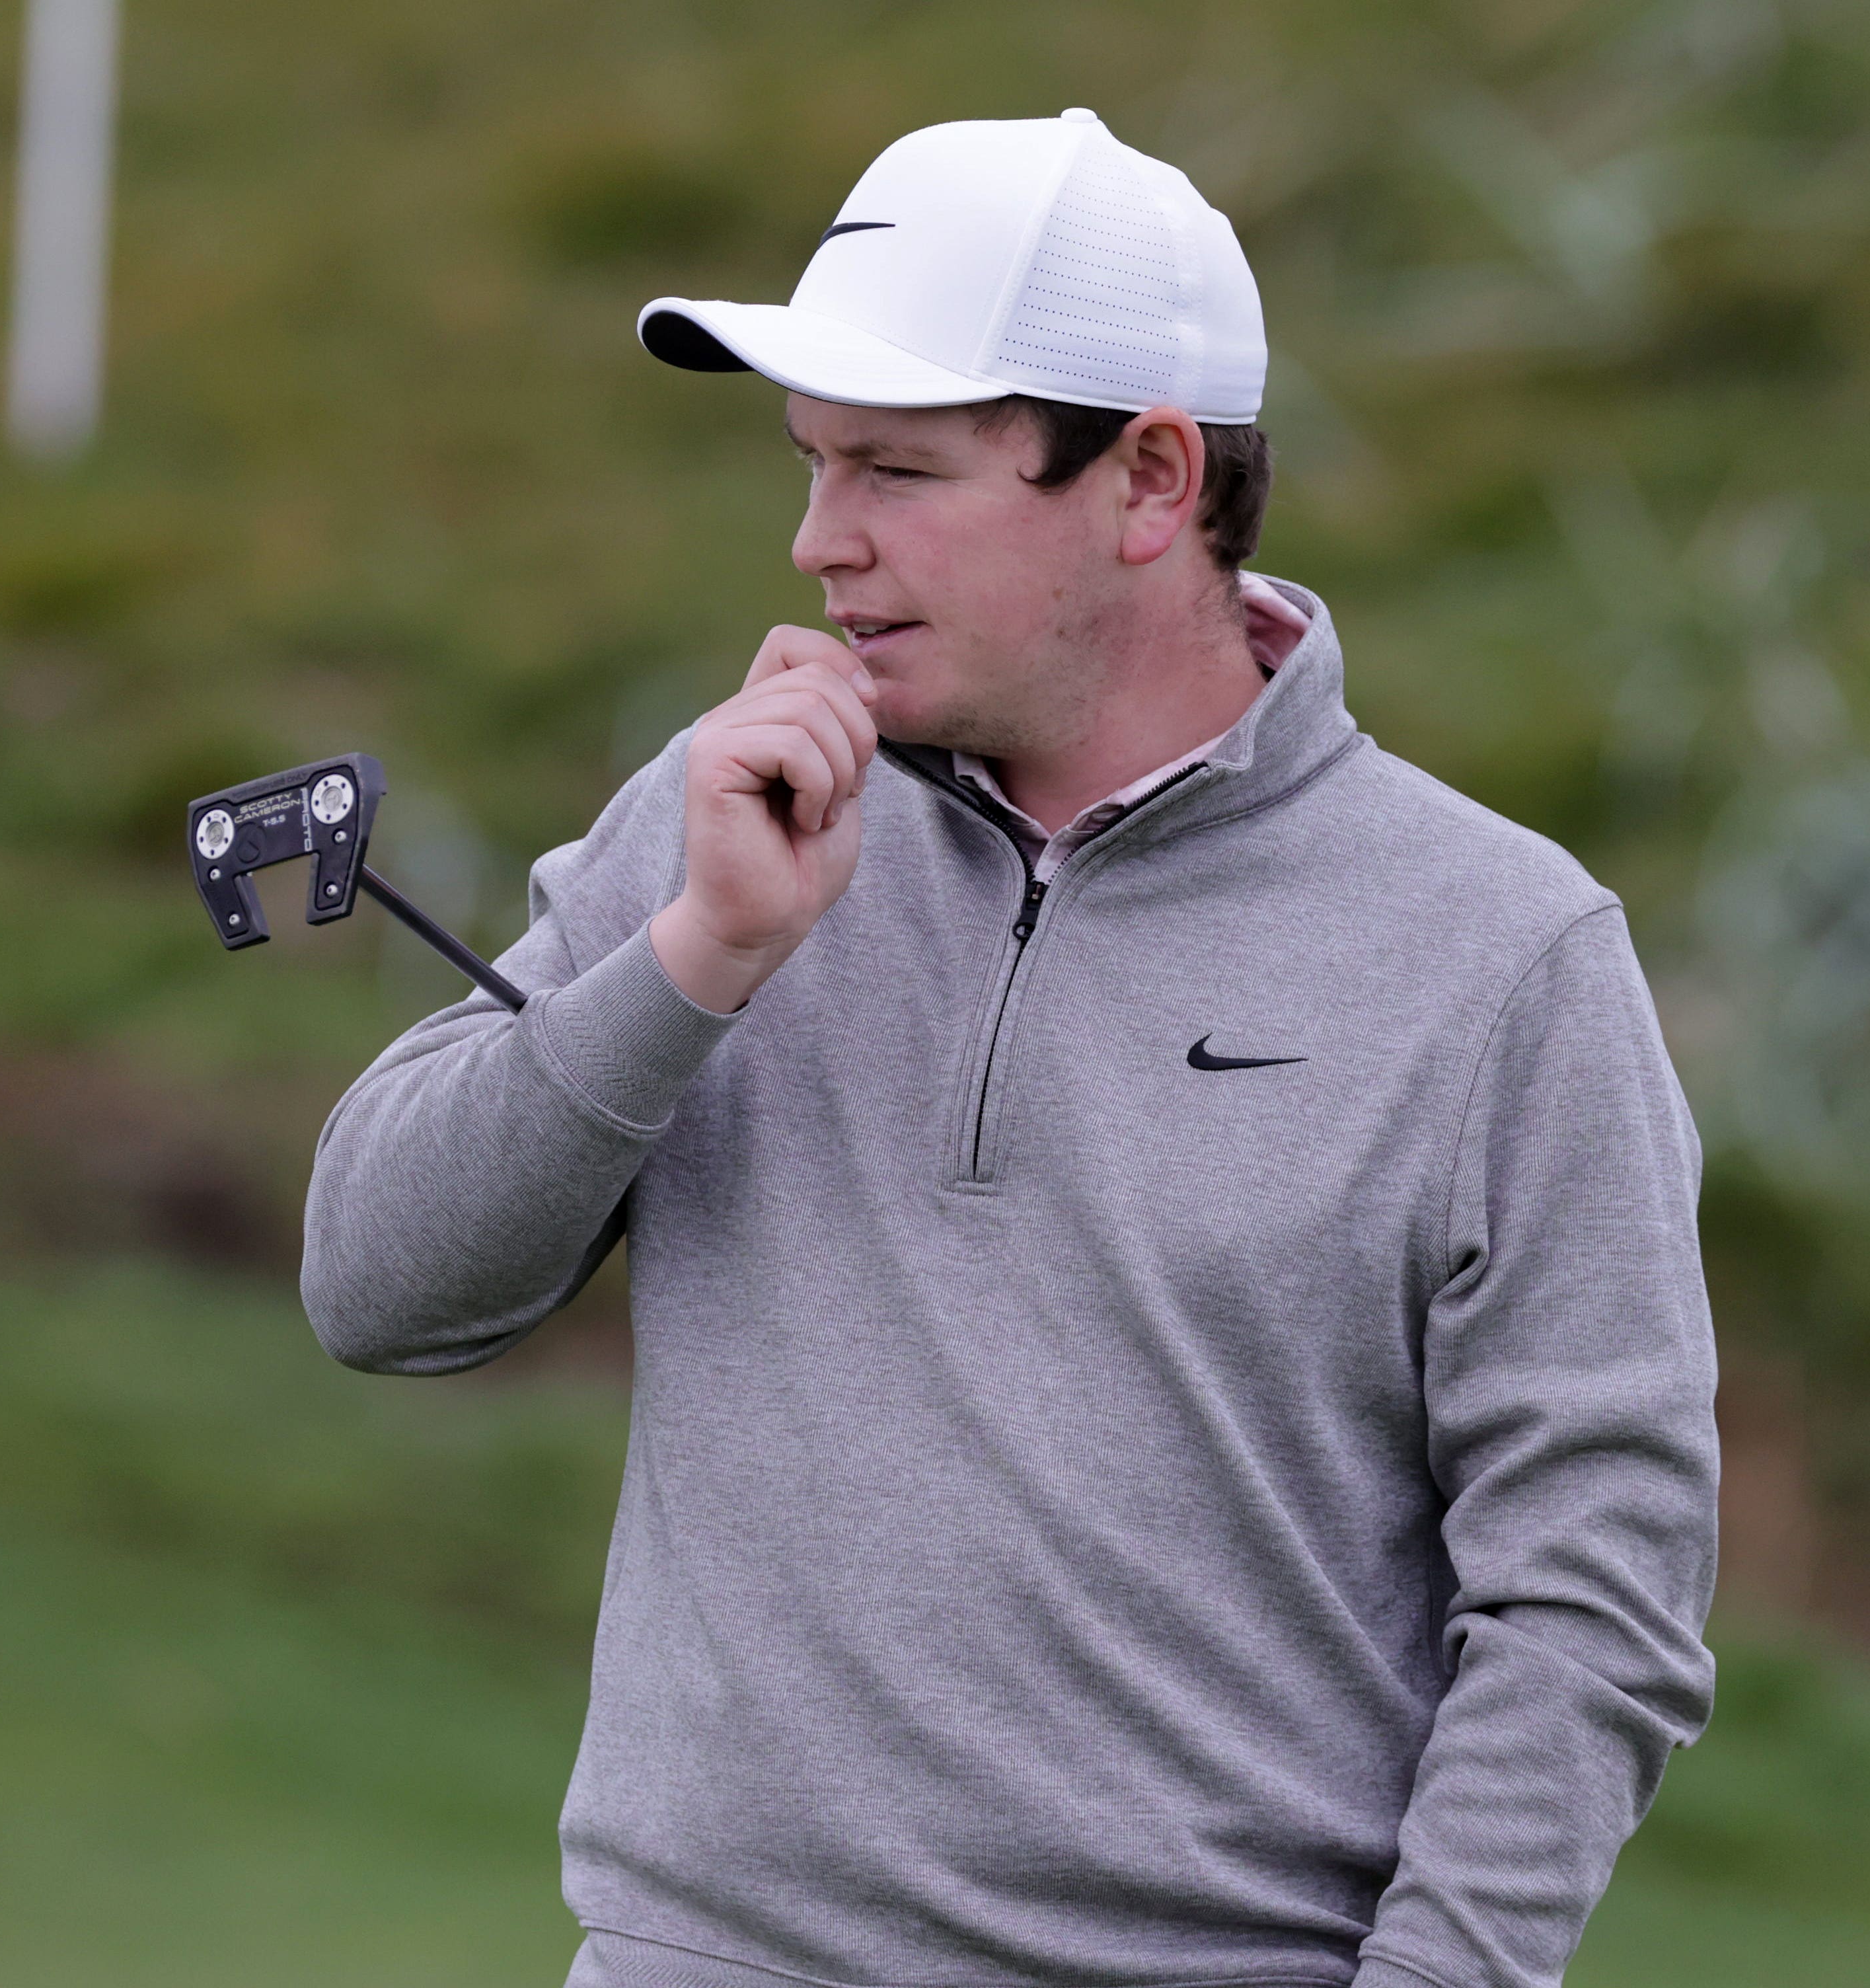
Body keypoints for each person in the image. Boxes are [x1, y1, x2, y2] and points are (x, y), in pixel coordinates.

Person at [303, 108, 1718, 1988]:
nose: (819, 542)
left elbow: (1592, 1601)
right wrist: (700, 955)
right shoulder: (726, 818)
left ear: (1148, 480)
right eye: (812, 466)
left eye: (896, 470)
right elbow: (381, 1286)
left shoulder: (1502, 952)